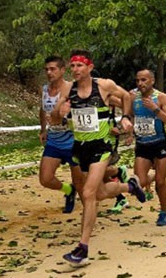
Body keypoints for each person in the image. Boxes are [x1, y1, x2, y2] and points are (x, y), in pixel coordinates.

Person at [50, 50, 146, 267]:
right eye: (72, 66)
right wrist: (60, 109)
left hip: (101, 146)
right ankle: (129, 187)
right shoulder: (68, 89)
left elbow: (127, 96)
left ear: (90, 67)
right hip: (80, 146)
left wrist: (126, 118)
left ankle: (82, 248)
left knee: (88, 193)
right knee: (100, 193)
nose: (75, 70)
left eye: (79, 66)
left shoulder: (103, 85)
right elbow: (54, 117)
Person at [131, 69, 166, 226]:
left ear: (152, 81)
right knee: (140, 183)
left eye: (144, 80)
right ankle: (151, 176)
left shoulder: (161, 97)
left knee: (160, 183)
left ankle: (163, 212)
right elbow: (129, 115)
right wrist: (127, 129)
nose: (140, 83)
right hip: (142, 144)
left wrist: (155, 109)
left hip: (159, 143)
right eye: (138, 80)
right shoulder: (132, 96)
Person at [38, 56, 82, 213]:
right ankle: (69, 191)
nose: (49, 72)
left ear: (63, 70)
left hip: (73, 141)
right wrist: (43, 129)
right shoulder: (44, 89)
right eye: (47, 69)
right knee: (45, 179)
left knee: (81, 183)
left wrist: (66, 119)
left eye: (53, 69)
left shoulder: (72, 88)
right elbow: (43, 109)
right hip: (54, 140)